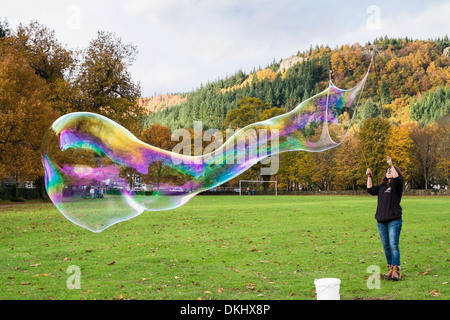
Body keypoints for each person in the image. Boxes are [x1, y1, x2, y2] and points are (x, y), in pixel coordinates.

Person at [366, 156, 404, 281]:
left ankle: (395, 270)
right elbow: (370, 189)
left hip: (394, 220)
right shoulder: (382, 187)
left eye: (391, 171)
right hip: (381, 221)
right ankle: (390, 266)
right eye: (387, 170)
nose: (388, 172)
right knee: (386, 246)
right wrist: (369, 176)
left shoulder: (397, 186)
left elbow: (397, 179)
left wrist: (391, 165)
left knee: (393, 245)